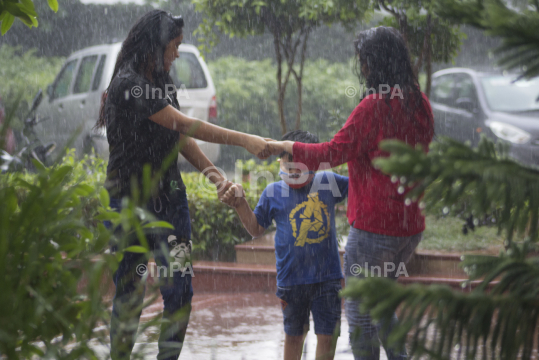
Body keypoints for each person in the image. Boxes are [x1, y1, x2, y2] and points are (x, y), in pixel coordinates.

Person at [95, 10, 271, 360]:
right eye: (174, 46)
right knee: (130, 293)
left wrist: (215, 175)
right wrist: (246, 140)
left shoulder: (162, 81)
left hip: (170, 203)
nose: (177, 53)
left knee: (180, 292)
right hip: (127, 204)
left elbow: (177, 135)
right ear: (154, 45)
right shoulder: (129, 84)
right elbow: (185, 124)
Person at [266, 27, 434, 360]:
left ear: (372, 63)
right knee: (382, 304)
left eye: (363, 61)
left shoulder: (374, 106)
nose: (362, 68)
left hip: (375, 229)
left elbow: (331, 152)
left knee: (359, 315)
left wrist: (285, 146)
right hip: (408, 225)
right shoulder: (419, 103)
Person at [222, 130, 349, 360]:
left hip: (327, 279)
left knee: (328, 336)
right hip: (292, 281)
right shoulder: (272, 192)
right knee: (293, 336)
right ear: (280, 162)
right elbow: (256, 229)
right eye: (288, 168)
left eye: (299, 170)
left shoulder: (328, 183)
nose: (293, 174)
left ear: (315, 165)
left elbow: (360, 185)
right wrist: (240, 204)